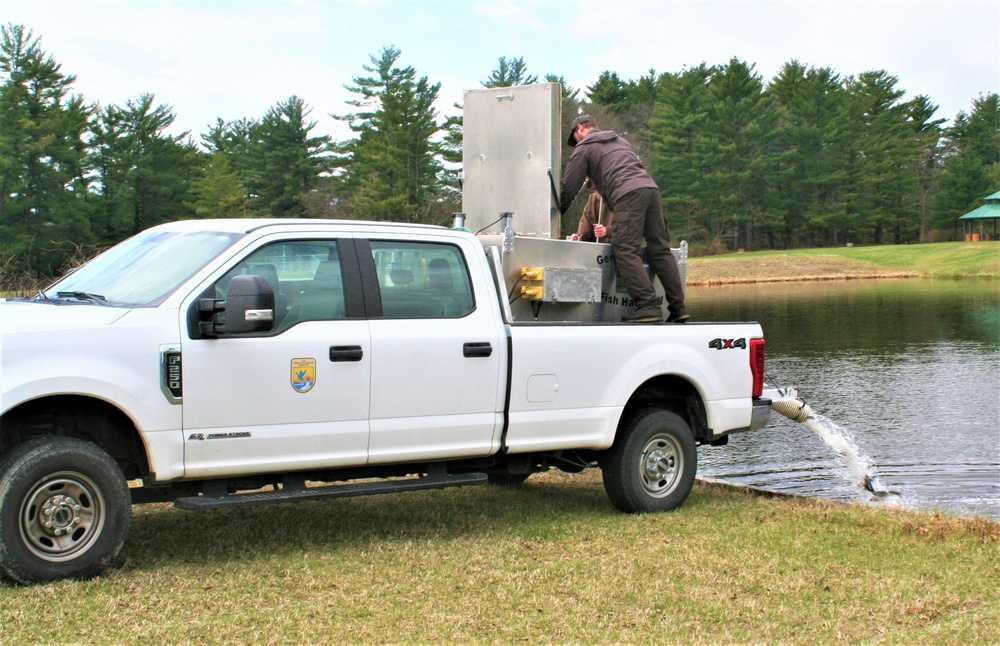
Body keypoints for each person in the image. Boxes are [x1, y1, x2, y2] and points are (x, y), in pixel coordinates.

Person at [559, 114, 689, 323]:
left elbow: (569, 187)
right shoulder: (621, 142)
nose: (577, 144)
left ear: (580, 128)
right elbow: (623, 170)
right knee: (660, 249)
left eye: (575, 138)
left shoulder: (584, 147)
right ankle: (679, 308)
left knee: (624, 248)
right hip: (650, 189)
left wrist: (557, 211)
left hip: (628, 193)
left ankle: (648, 306)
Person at [570, 178, 612, 243]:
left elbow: (630, 228)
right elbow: (585, 228)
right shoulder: (593, 199)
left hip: (621, 250)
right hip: (598, 250)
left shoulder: (625, 198)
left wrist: (607, 231)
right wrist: (578, 237)